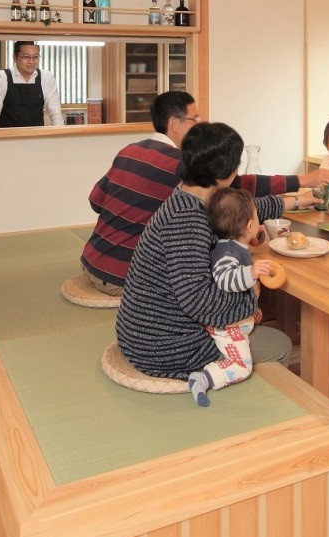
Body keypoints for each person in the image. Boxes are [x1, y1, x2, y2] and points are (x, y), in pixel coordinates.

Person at [81, 90, 329, 295]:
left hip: (92, 260)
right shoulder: (183, 165)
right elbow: (239, 194)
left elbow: (96, 201)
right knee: (229, 271)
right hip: (123, 276)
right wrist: (301, 182)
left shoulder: (129, 150)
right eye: (194, 119)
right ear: (174, 124)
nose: (199, 124)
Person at [116, 122, 292, 382]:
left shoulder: (186, 197)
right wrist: (251, 298)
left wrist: (295, 201)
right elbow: (201, 304)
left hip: (143, 329)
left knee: (246, 307)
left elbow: (238, 211)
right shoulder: (189, 221)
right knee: (280, 344)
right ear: (224, 174)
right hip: (165, 346)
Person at [187, 188, 271, 406]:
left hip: (233, 314)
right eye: (256, 216)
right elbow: (225, 279)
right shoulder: (228, 253)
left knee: (258, 314)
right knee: (242, 366)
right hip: (226, 324)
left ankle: (249, 320)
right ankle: (204, 377)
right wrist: (251, 272)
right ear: (249, 226)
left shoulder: (231, 243)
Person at [0, 41, 63, 128]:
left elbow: (55, 110)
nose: (31, 61)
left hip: (37, 134)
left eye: (35, 57)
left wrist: (60, 132)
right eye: (26, 57)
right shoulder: (0, 77)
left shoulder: (46, 77)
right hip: (7, 135)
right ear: (15, 58)